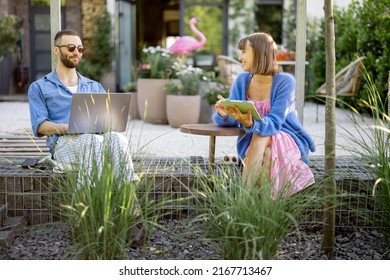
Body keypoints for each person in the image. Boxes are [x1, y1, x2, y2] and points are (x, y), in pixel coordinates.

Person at [28, 29, 138, 184]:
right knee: (92, 142)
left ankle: (129, 203)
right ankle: (87, 205)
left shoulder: (94, 86)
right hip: (64, 145)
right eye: (71, 48)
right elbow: (40, 126)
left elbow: (106, 122)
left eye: (80, 49)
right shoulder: (39, 87)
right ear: (56, 50)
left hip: (96, 142)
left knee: (118, 139)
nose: (76, 53)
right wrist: (71, 127)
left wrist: (111, 122)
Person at [213, 32, 315, 198]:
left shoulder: (285, 82)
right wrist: (224, 114)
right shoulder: (242, 81)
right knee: (267, 155)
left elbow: (274, 123)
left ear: (259, 53)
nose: (240, 57)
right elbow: (235, 119)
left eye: (244, 51)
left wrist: (252, 124)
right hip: (257, 147)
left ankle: (242, 203)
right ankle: (266, 217)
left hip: (285, 137)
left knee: (260, 135)